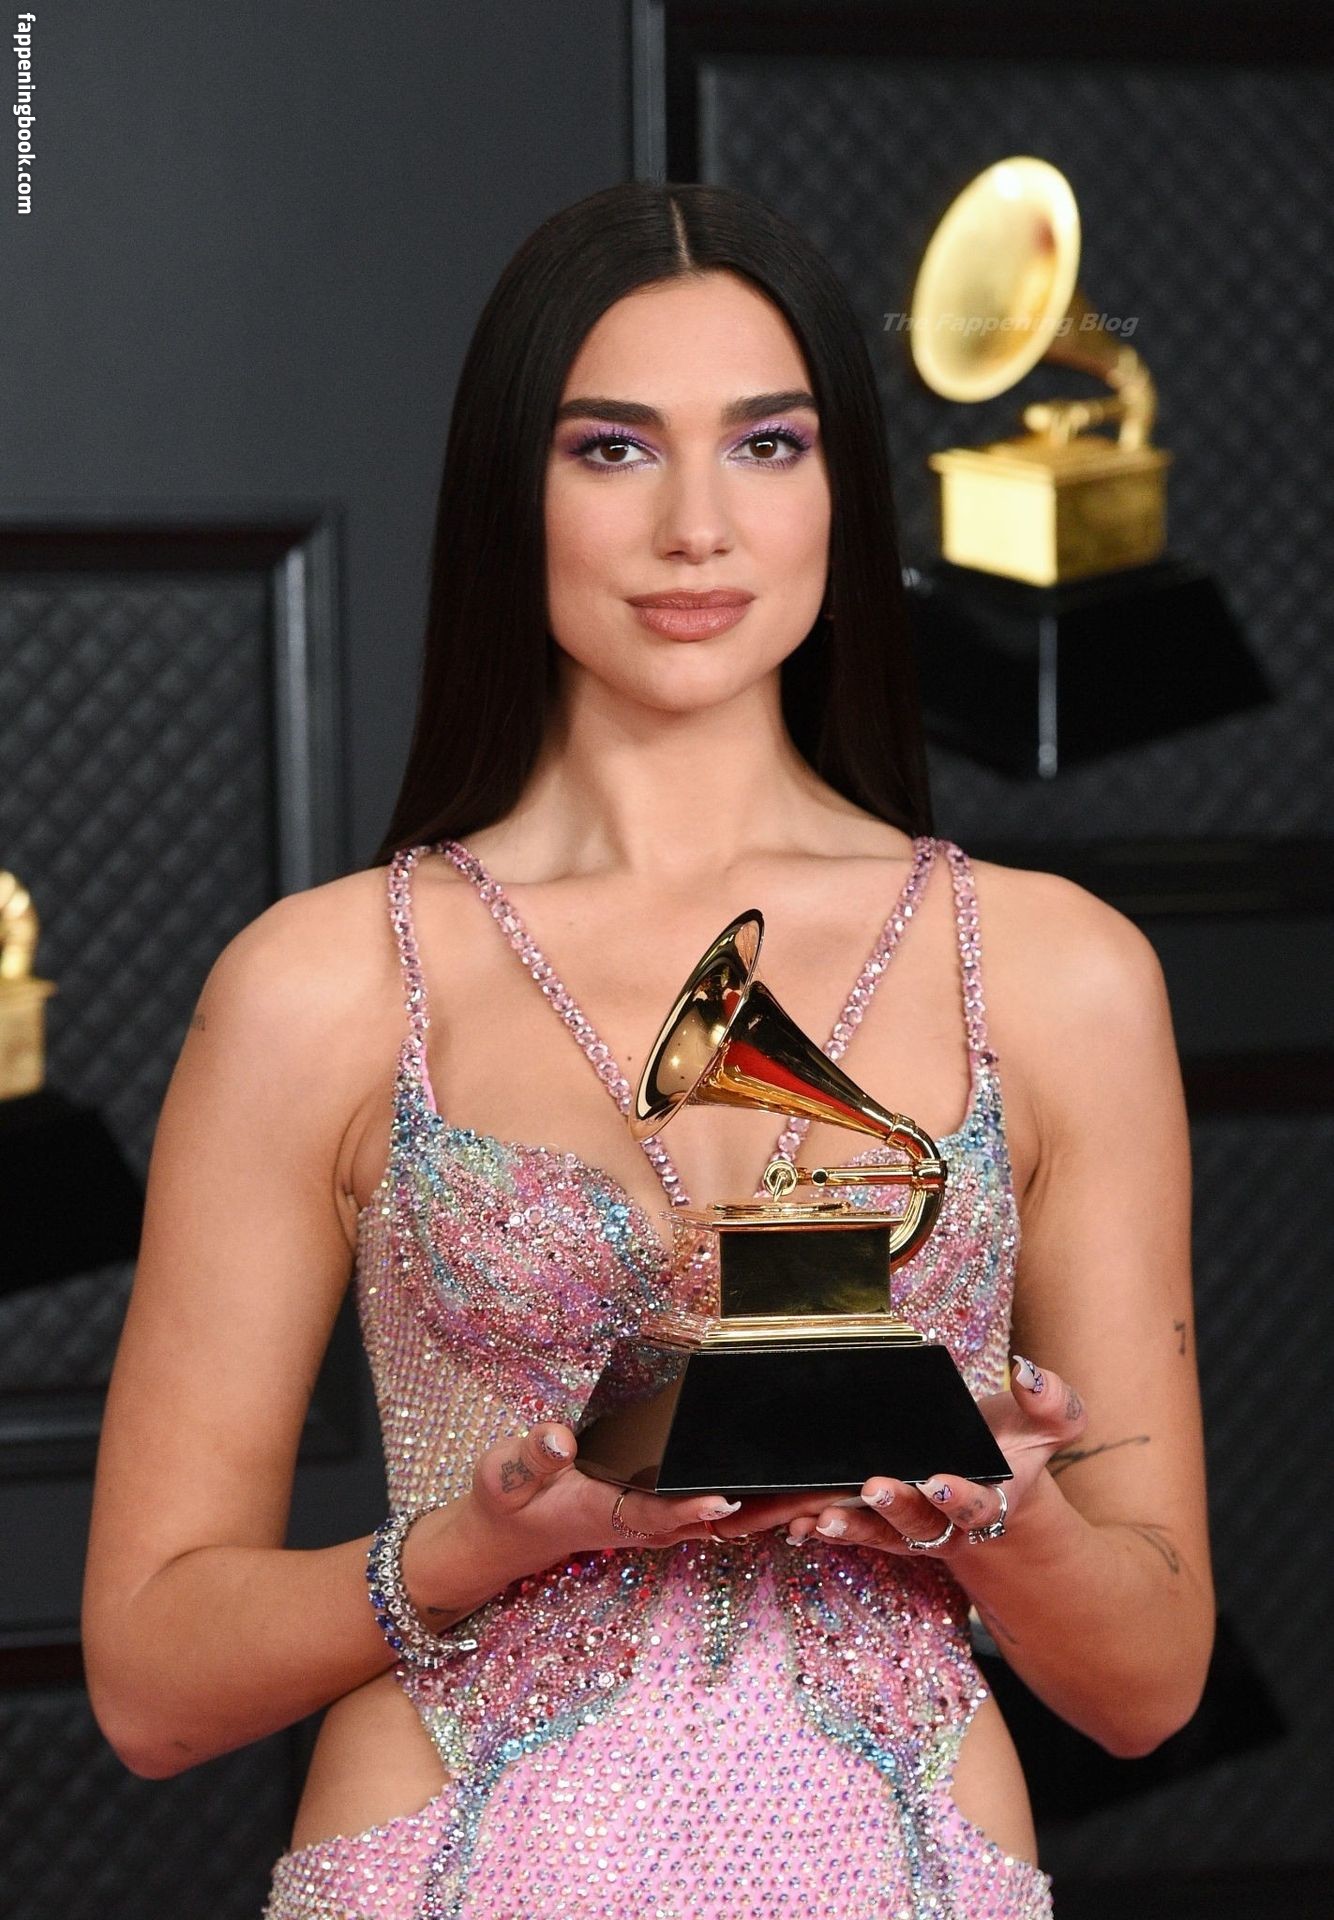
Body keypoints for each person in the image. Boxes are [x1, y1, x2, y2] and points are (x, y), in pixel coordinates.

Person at [82, 181, 1213, 1919]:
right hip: (453, 1868)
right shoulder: (324, 985)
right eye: (611, 450)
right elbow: (151, 1690)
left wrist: (1003, 1515)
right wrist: (478, 1548)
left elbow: (1146, 1687)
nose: (698, 526)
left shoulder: (1060, 973)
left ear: (842, 492)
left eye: (766, 445)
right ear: (507, 495)